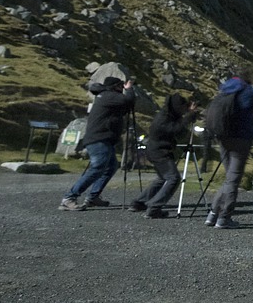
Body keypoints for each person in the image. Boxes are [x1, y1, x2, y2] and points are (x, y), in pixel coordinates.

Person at [59, 76, 135, 211]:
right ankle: (69, 198)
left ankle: (93, 197)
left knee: (110, 167)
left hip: (103, 138)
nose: (122, 87)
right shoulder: (109, 96)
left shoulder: (105, 96)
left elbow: (123, 107)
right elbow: (128, 100)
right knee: (98, 167)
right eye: (120, 85)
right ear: (115, 86)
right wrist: (129, 89)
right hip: (99, 138)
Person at [206, 70, 253, 229]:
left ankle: (213, 214)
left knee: (230, 177)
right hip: (240, 139)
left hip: (223, 136)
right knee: (233, 178)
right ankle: (224, 217)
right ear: (248, 79)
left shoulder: (225, 89)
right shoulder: (247, 91)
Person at [128, 94, 199, 218]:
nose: (184, 109)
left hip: (158, 150)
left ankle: (139, 202)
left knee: (162, 178)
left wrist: (189, 116)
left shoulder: (170, 115)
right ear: (176, 107)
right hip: (159, 152)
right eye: (183, 107)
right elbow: (175, 130)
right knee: (174, 178)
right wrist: (189, 116)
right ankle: (154, 207)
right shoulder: (163, 118)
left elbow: (180, 133)